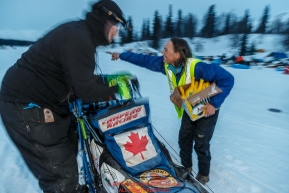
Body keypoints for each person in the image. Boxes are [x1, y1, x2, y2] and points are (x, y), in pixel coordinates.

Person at [0, 0, 128, 192]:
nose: (117, 33)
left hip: (46, 102)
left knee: (70, 143)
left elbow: (77, 77)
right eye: (116, 26)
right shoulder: (79, 38)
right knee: (60, 172)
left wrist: (108, 81)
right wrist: (115, 89)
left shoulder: (80, 35)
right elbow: (85, 91)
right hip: (25, 106)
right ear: (104, 21)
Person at [107, 37, 234, 185]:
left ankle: (204, 175)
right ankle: (186, 169)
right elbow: (145, 60)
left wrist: (214, 104)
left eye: (166, 50)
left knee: (201, 143)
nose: (162, 52)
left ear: (177, 55)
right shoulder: (167, 65)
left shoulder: (198, 68)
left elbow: (228, 79)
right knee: (184, 140)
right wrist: (121, 55)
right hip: (190, 108)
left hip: (207, 110)